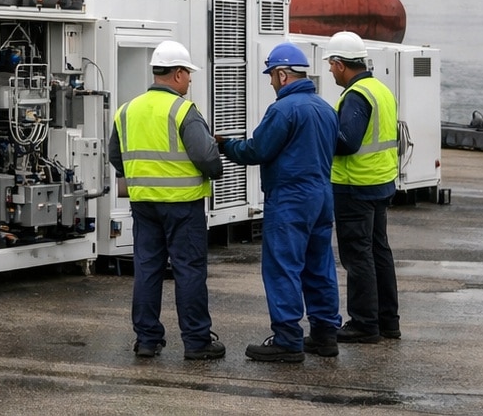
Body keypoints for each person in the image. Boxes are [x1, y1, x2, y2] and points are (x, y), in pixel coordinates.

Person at [217, 42, 342, 362]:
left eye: (272, 75)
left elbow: (258, 151)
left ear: (283, 74)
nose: (271, 82)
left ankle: (287, 339)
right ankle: (326, 335)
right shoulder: (325, 108)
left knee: (283, 267)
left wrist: (226, 145)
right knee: (319, 266)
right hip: (321, 196)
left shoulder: (283, 110)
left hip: (290, 198)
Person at [108, 40, 226, 361]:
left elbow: (115, 156)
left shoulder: (126, 111)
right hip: (183, 204)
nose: (189, 80)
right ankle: (197, 342)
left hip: (143, 203)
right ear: (176, 74)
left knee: (147, 268)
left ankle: (147, 340)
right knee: (189, 270)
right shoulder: (183, 110)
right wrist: (215, 170)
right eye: (187, 73)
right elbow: (207, 157)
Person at [325, 31, 401, 343]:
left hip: (355, 186)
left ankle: (364, 323)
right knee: (378, 252)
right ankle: (388, 322)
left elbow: (347, 142)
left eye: (331, 64)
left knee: (358, 256)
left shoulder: (355, 97)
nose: (330, 71)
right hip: (380, 182)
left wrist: (322, 133)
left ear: (341, 64)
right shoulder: (379, 90)